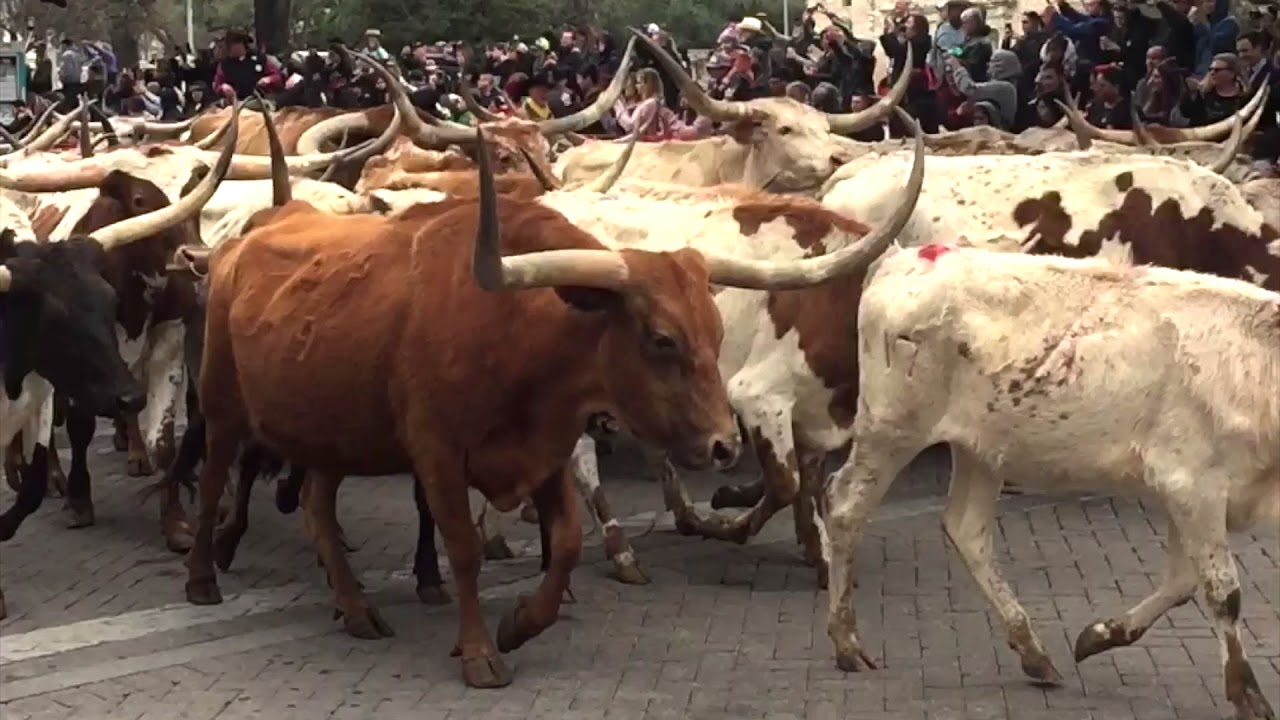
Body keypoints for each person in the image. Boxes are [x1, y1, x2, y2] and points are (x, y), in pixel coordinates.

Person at [213, 30, 278, 101]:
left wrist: (268, 80)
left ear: (241, 44)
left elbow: (277, 76)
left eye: (233, 44)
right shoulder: (224, 65)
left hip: (261, 99)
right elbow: (218, 84)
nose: (229, 48)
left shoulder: (260, 59)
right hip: (235, 102)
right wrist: (223, 87)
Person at [1182, 51, 1245, 125]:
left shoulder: (1244, 96)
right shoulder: (1204, 95)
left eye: (1217, 70)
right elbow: (1186, 113)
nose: (1212, 73)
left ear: (1232, 74)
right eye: (1210, 69)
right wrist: (1192, 93)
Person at [1085, 63, 1132, 128]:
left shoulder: (1130, 111)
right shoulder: (1094, 106)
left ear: (1116, 87)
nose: (1098, 89)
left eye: (1102, 85)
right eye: (1098, 85)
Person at [58, 37, 82, 111]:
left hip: (69, 81)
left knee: (69, 101)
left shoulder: (66, 55)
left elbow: (67, 69)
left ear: (65, 45)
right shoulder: (77, 54)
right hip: (77, 80)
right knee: (76, 101)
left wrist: (62, 77)